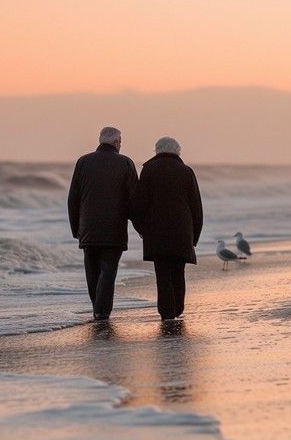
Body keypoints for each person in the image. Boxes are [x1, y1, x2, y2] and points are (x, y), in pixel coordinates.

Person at [68, 127, 138, 320]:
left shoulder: (83, 162)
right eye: (121, 141)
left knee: (92, 273)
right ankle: (102, 312)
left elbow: (73, 198)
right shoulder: (125, 163)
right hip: (114, 230)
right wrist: (141, 227)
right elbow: (134, 200)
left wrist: (76, 229)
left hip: (88, 230)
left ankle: (97, 310)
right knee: (108, 271)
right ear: (116, 142)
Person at [131, 137, 203, 321]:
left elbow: (139, 204)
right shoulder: (186, 172)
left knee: (162, 273)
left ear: (157, 151)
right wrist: (194, 237)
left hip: (156, 233)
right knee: (178, 272)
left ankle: (166, 313)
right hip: (182, 232)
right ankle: (177, 308)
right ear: (178, 151)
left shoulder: (149, 170)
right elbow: (196, 206)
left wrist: (141, 229)